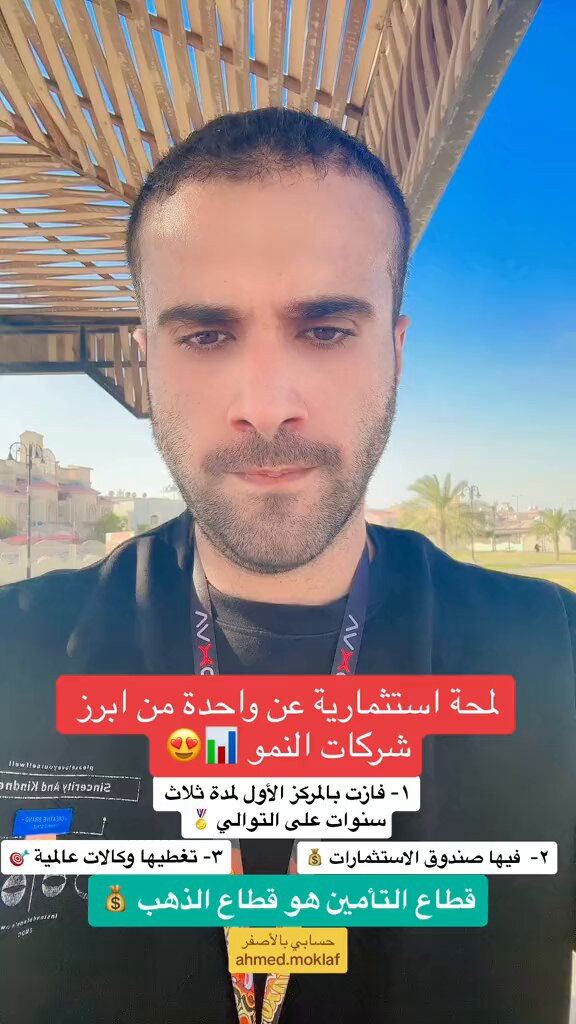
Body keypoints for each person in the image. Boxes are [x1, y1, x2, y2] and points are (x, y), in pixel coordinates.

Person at [1, 107, 575, 1024]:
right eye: (206, 335)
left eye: (327, 329)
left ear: (395, 351)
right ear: (146, 364)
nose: (266, 406)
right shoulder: (14, 655)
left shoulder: (553, 659)